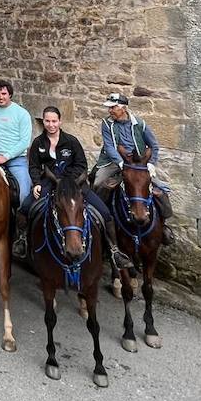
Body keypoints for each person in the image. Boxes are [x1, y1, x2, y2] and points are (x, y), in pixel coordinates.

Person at [25, 106, 133, 270]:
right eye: (47, 121)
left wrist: (68, 180)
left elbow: (81, 165)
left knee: (104, 213)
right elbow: (33, 166)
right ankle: (24, 243)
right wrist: (37, 182)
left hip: (74, 184)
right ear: (43, 121)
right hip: (49, 182)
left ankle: (114, 250)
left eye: (54, 121)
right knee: (25, 208)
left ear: (60, 121)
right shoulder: (38, 143)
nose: (51, 124)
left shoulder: (71, 141)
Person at [94, 93, 174, 240]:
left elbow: (154, 145)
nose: (110, 111)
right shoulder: (106, 123)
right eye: (109, 108)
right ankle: (100, 220)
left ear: (123, 108)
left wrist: (151, 164)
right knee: (98, 183)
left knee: (161, 189)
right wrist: (120, 163)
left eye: (113, 107)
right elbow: (110, 147)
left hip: (138, 164)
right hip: (114, 161)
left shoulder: (140, 124)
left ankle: (163, 225)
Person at [0, 80, 35, 238]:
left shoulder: (22, 114)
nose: (0, 97)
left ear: (10, 94)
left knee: (25, 192)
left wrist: (6, 156)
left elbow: (25, 141)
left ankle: (23, 229)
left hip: (16, 160)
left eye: (4, 93)